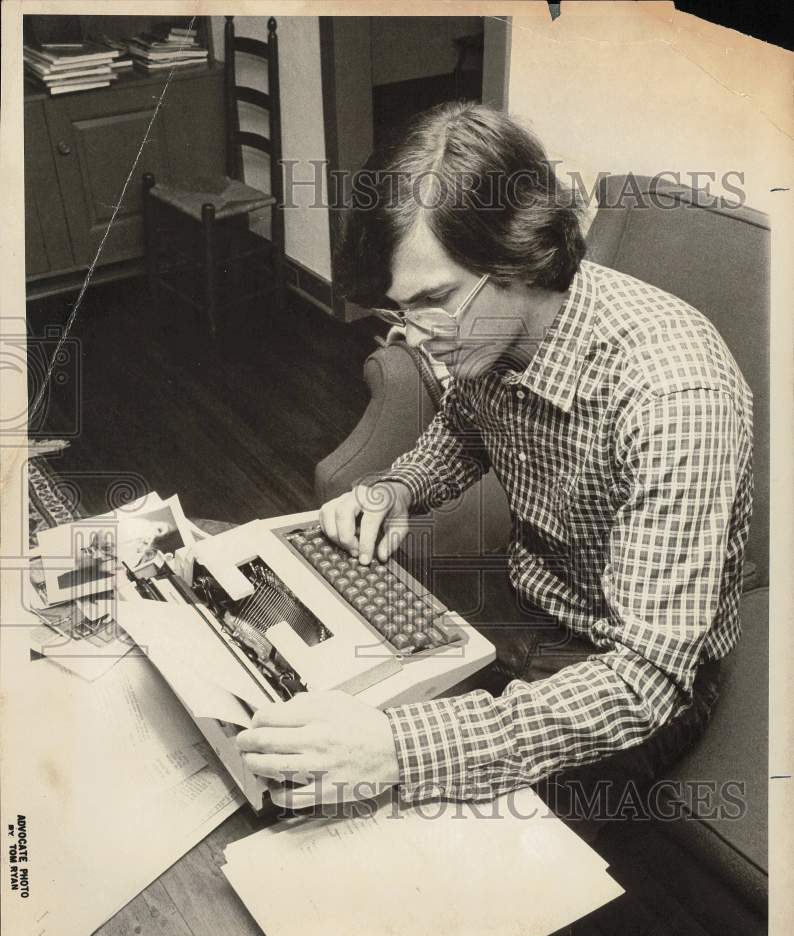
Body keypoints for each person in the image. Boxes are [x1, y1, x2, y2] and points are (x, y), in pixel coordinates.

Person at [236, 103, 753, 834]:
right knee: (318, 744)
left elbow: (647, 681)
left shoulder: (673, 395)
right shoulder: (485, 334)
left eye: (434, 302)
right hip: (529, 603)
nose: (415, 338)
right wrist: (399, 487)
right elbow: (467, 426)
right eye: (399, 310)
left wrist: (398, 749)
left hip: (638, 675)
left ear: (518, 256)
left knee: (454, 848)